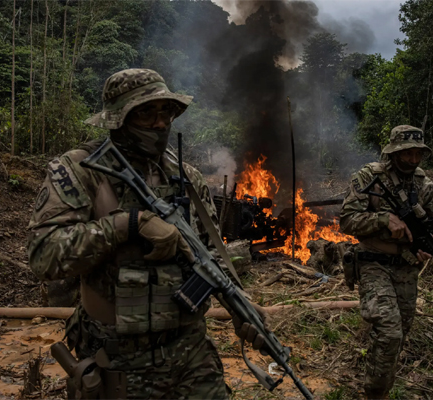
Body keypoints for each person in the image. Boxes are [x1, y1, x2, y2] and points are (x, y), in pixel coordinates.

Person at [27, 69, 264, 399]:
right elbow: (43, 255)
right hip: (119, 361)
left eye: (165, 112)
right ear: (118, 119)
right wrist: (129, 224)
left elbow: (208, 253)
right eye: (146, 113)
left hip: (192, 356)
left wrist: (239, 305)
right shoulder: (81, 171)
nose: (160, 123)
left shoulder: (186, 178)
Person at [340, 125, 433, 400]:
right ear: (394, 152)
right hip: (373, 262)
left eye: (417, 154)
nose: (412, 160)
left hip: (407, 266)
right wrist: (383, 219)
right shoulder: (369, 177)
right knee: (390, 331)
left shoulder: (425, 185)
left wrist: (425, 247)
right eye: (407, 154)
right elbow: (347, 220)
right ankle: (374, 394)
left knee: (400, 334)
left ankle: (381, 384)